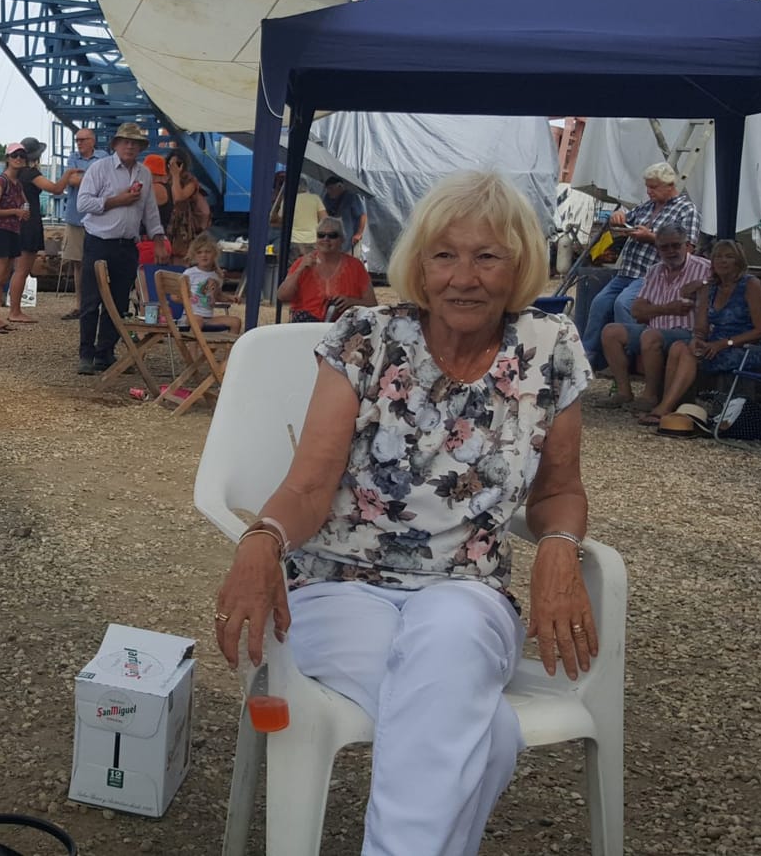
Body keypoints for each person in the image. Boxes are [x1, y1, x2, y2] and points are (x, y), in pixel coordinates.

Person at [214, 169, 595, 856]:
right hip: (337, 587)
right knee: (482, 728)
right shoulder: (366, 336)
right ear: (419, 262)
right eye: (444, 255)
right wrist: (262, 537)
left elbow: (560, 489)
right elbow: (308, 487)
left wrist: (561, 545)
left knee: (451, 636)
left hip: (469, 592)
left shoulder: (550, 345)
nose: (463, 277)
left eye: (488, 256)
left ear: (518, 267)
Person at [639, 239, 761, 426]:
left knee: (689, 355)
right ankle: (670, 407)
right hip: (716, 343)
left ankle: (664, 409)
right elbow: (701, 328)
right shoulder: (710, 287)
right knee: (679, 347)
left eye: (729, 257)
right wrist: (697, 339)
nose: (723, 261)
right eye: (718, 257)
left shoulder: (750, 284)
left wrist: (724, 344)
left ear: (739, 261)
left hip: (747, 345)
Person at [580, 162, 700, 366]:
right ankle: (588, 354)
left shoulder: (686, 210)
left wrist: (652, 237)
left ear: (669, 185)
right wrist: (617, 219)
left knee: (623, 303)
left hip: (651, 274)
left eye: (653, 187)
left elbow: (687, 249)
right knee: (599, 303)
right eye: (647, 187)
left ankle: (633, 356)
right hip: (627, 270)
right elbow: (623, 222)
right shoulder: (647, 206)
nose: (649, 191)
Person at [76, 122, 167, 375]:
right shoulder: (100, 168)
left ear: (140, 148)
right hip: (99, 240)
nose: (130, 146)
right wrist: (117, 200)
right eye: (126, 141)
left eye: (135, 143)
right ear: (115, 144)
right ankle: (86, 353)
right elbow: (83, 203)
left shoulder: (144, 173)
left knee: (118, 302)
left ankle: (105, 352)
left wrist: (158, 238)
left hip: (127, 244)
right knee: (91, 300)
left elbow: (150, 210)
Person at [595, 225, 708, 409]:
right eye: (664, 247)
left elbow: (727, 284)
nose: (670, 251)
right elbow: (637, 311)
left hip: (686, 332)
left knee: (650, 336)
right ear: (657, 249)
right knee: (610, 332)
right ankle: (623, 392)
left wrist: (703, 284)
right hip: (653, 328)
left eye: (675, 245)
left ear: (687, 246)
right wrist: (668, 308)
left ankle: (650, 395)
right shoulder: (655, 270)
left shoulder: (704, 269)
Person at [7, 136, 67, 325]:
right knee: (22, 270)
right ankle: (15, 310)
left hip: (17, 222)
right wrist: (68, 175)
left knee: (16, 269)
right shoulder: (30, 174)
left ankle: (13, 308)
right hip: (30, 222)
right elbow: (55, 189)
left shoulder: (15, 174)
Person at [275, 215, 376, 323]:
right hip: (305, 325)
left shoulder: (355, 266)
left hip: (342, 325)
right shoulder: (302, 263)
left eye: (332, 235)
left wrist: (352, 302)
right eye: (321, 235)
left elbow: (372, 304)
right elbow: (282, 296)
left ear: (342, 239)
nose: (326, 239)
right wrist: (300, 269)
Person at [0, 144, 32, 334]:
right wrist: (15, 211)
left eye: (22, 155)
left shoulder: (17, 184)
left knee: (3, 277)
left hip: (13, 231)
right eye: (15, 155)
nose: (19, 158)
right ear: (8, 158)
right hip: (1, 231)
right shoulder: (1, 181)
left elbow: (25, 203)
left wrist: (23, 211)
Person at [58, 127, 98, 318]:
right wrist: (94, 178)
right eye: (77, 140)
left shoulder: (103, 157)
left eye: (83, 139)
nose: (79, 143)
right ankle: (80, 304)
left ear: (92, 140)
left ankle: (96, 303)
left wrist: (83, 177)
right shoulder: (73, 158)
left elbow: (105, 180)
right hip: (76, 217)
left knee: (98, 263)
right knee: (78, 263)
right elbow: (72, 180)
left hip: (98, 219)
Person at [182, 233, 241, 330]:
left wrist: (230, 298)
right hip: (190, 316)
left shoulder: (216, 275)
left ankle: (229, 341)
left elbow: (218, 296)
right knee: (198, 320)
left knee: (236, 322)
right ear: (194, 256)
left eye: (207, 252)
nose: (203, 255)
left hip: (208, 318)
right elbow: (177, 295)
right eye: (199, 252)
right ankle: (193, 340)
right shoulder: (189, 273)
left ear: (214, 254)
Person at [322, 174, 368, 256]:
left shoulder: (351, 197)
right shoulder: (327, 198)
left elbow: (362, 215)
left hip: (349, 239)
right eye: (327, 189)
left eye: (331, 188)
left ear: (340, 186)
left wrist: (359, 233)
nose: (329, 191)